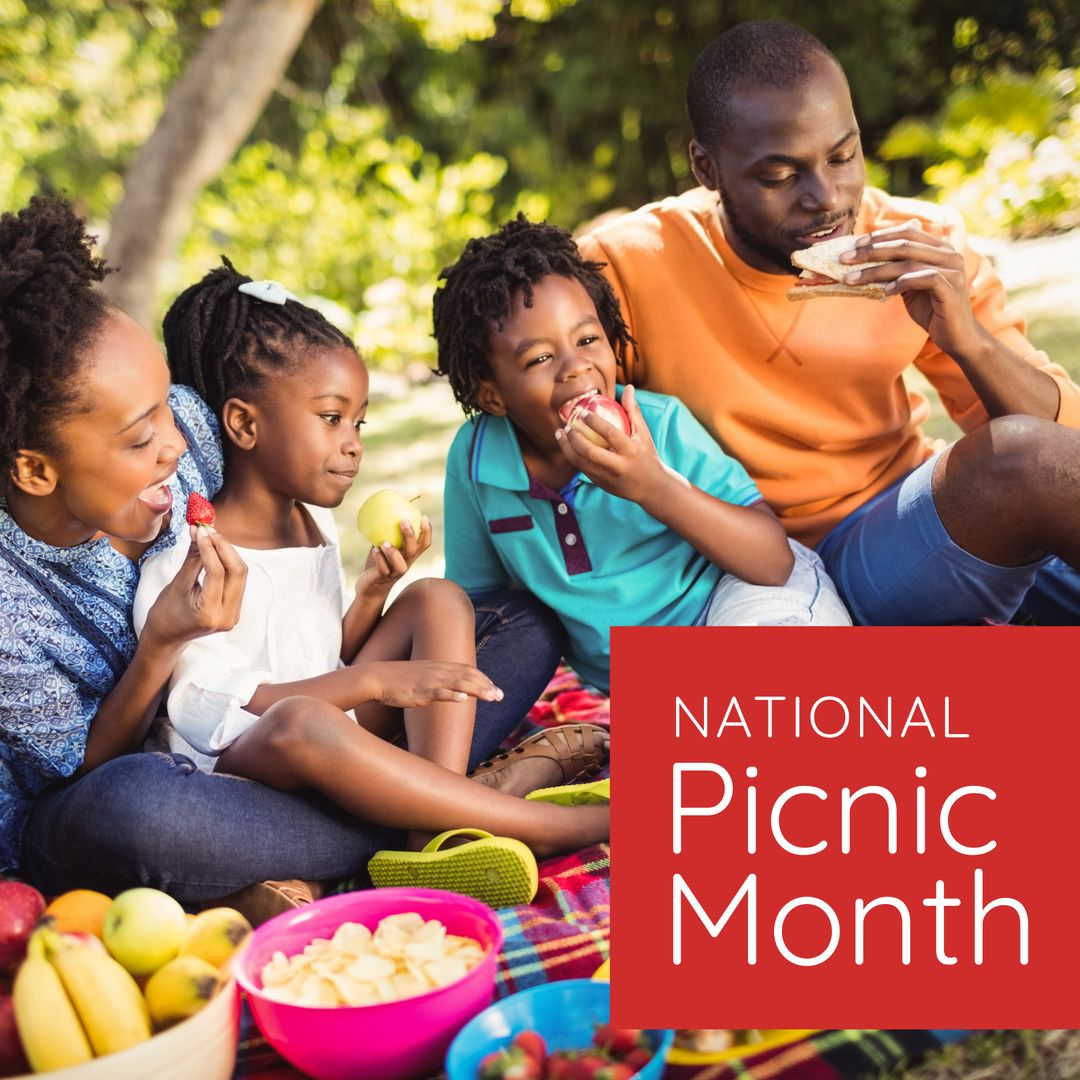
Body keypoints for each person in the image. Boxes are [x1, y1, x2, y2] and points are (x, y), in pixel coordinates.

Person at [0, 196, 592, 913]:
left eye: (168, 404)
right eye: (139, 435)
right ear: (35, 471)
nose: (180, 440)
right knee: (129, 810)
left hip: (305, 734)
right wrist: (161, 643)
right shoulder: (12, 609)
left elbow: (282, 440)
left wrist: (373, 594)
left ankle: (413, 825)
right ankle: (490, 811)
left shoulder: (189, 423)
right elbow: (92, 769)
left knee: (513, 619)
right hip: (170, 787)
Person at [578, 19, 1080, 626]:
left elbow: (1066, 447)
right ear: (706, 168)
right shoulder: (624, 267)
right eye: (781, 177)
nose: (827, 197)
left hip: (928, 523)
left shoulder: (921, 245)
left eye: (843, 155)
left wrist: (967, 339)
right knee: (1019, 461)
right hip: (784, 574)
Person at [131, 258, 609, 858]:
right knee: (303, 720)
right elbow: (206, 710)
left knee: (437, 598)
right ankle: (556, 824)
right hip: (245, 766)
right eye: (332, 419)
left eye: (358, 421)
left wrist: (372, 597)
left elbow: (327, 653)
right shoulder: (194, 559)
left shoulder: (313, 522)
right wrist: (373, 679)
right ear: (244, 424)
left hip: (343, 739)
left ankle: (437, 817)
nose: (353, 443)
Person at [433, 217, 851, 695]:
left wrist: (652, 486)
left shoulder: (659, 424)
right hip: (649, 683)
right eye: (539, 360)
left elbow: (772, 563)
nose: (576, 367)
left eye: (588, 340)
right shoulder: (476, 462)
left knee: (786, 685)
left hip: (739, 598)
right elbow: (481, 602)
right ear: (491, 397)